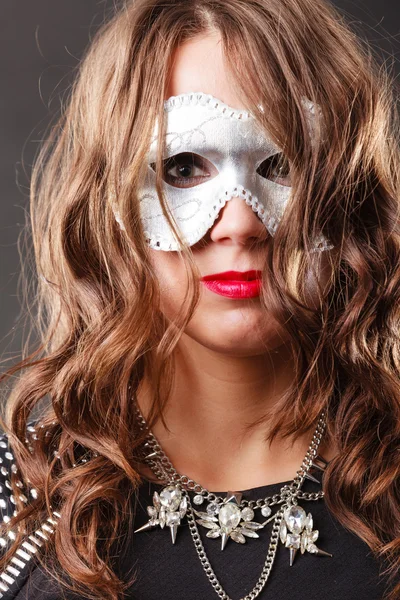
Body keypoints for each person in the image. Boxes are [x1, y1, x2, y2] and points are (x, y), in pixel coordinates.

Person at [0, 0, 399, 599]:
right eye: (184, 167)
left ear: (346, 194)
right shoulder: (20, 502)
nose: (239, 223)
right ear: (107, 204)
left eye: (282, 163)